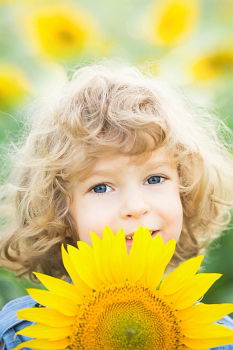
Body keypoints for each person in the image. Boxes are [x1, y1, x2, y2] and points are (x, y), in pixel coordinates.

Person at [0, 61, 233, 349]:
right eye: (100, 187)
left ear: (185, 190)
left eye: (155, 178)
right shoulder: (23, 333)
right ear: (60, 213)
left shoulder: (216, 337)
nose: (135, 207)